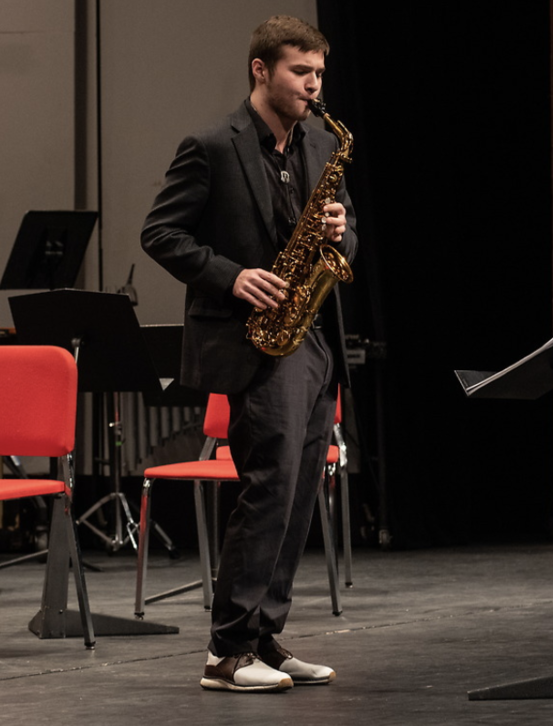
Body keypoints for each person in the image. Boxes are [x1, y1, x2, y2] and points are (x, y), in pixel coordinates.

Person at [141, 15, 358, 693]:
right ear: (261, 71)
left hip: (313, 334)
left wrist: (340, 232)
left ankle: (265, 634)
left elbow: (348, 243)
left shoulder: (322, 141)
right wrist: (232, 275)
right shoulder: (211, 145)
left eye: (319, 73)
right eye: (301, 72)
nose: (313, 85)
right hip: (253, 336)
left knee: (298, 493)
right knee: (269, 487)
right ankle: (226, 652)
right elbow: (161, 233)